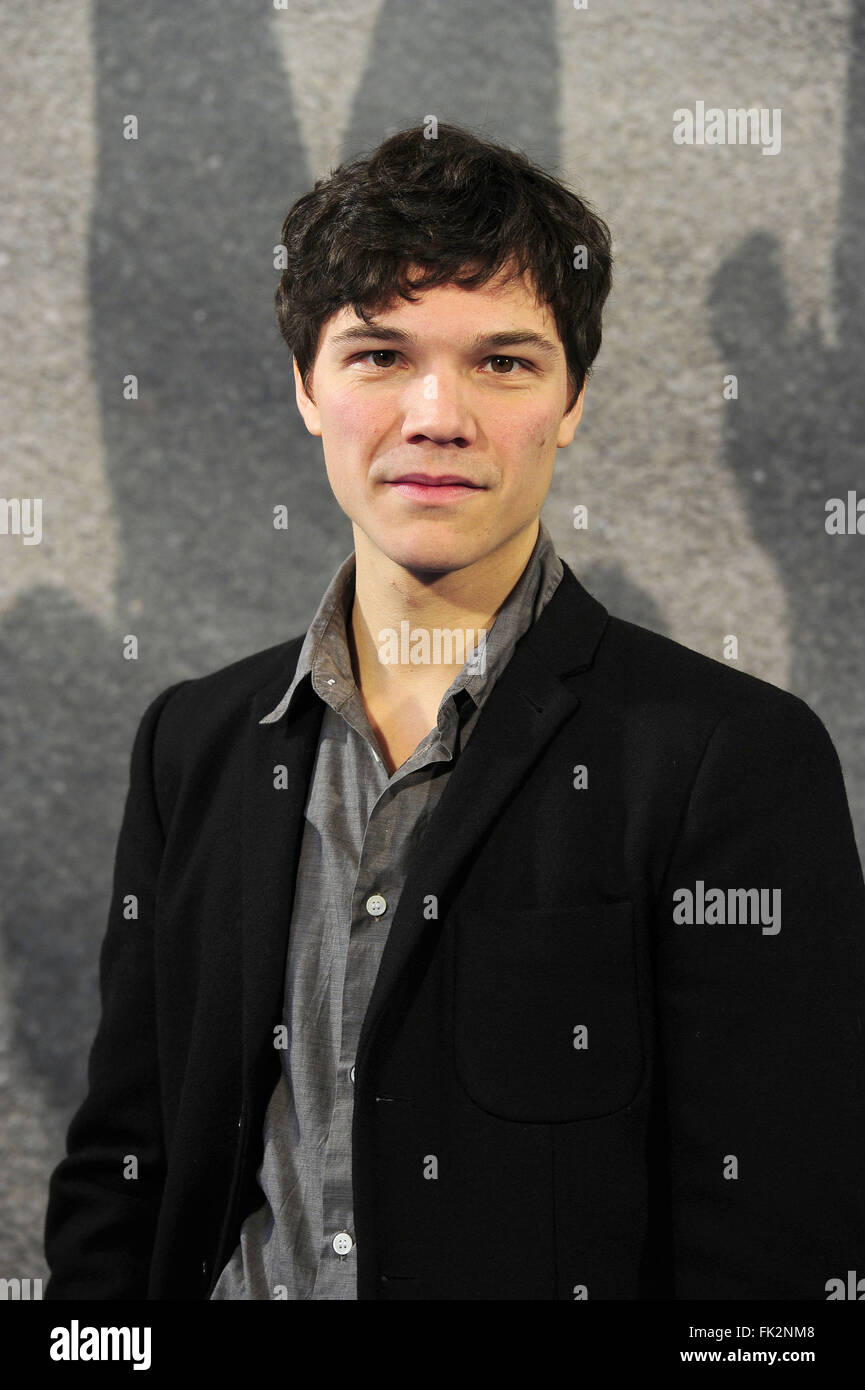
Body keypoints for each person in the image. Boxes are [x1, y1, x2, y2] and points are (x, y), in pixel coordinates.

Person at [44, 121, 865, 1301]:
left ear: (572, 397)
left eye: (504, 362)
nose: (438, 414)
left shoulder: (728, 758)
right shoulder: (195, 744)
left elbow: (774, 1244)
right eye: (379, 355)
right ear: (305, 386)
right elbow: (124, 1173)